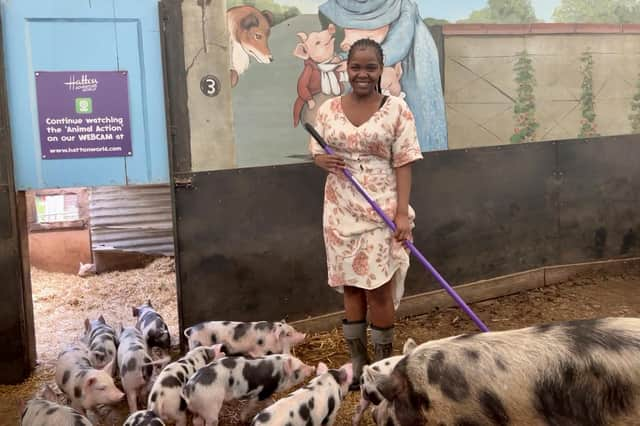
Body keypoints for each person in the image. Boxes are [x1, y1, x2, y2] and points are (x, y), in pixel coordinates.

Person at [308, 38, 423, 389]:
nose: (362, 73)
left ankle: (384, 366)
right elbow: (317, 151)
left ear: (380, 69)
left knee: (379, 290)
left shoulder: (397, 110)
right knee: (352, 289)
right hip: (340, 209)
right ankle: (358, 366)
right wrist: (321, 161)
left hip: (381, 211)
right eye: (356, 66)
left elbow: (404, 163)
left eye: (370, 67)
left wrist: (401, 214)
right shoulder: (327, 110)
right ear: (346, 67)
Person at [318, 0, 448, 152]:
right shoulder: (330, 10)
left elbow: (398, 45)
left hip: (401, 74)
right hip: (353, 81)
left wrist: (355, 60)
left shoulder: (402, 6)